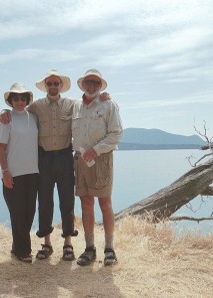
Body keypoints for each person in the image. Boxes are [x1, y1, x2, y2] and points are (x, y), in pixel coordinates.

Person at [0, 70, 110, 262]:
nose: (52, 87)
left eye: (55, 84)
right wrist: (3, 112)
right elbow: (17, 111)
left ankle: (68, 244)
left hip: (65, 158)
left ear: (60, 86)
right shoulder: (36, 107)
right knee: (45, 202)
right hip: (43, 160)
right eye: (49, 84)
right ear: (46, 86)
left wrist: (102, 98)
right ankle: (47, 244)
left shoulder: (72, 105)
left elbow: (89, 104)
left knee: (67, 201)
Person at [72, 69, 123, 266]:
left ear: (100, 86)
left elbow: (116, 134)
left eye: (95, 83)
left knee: (105, 203)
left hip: (101, 159)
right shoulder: (75, 106)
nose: (92, 86)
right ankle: (89, 248)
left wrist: (97, 149)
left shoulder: (109, 104)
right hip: (80, 160)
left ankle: (109, 249)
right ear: (83, 85)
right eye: (88, 82)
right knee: (86, 203)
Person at [0, 83, 39, 263]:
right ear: (11, 101)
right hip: (13, 173)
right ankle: (24, 251)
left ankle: (16, 247)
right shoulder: (6, 119)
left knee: (29, 212)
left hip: (33, 172)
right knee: (17, 213)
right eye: (16, 98)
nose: (20, 101)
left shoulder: (34, 117)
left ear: (28, 100)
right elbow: (1, 149)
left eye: (23, 98)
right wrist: (5, 171)